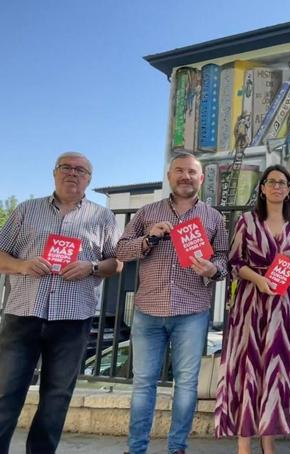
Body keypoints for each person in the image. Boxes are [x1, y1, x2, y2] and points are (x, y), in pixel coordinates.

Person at [0, 151, 121, 453]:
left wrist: (90, 267)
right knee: (5, 393)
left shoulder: (102, 216)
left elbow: (116, 264)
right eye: (66, 167)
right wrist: (22, 265)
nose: (73, 173)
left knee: (56, 399)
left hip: (73, 320)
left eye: (81, 170)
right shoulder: (27, 210)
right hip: (23, 314)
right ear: (54, 173)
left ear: (89, 180)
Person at [116, 151, 228, 454]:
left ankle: (177, 447)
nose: (185, 176)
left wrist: (213, 269)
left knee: (187, 385)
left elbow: (224, 260)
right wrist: (148, 239)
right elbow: (122, 252)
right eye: (179, 170)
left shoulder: (214, 217)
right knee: (143, 384)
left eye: (192, 172)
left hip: (191, 311)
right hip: (148, 310)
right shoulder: (147, 212)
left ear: (201, 178)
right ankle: (136, 449)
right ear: (169, 176)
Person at [214, 164, 290, 454]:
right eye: (272, 182)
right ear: (262, 188)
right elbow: (234, 263)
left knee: (274, 373)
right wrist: (259, 279)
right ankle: (244, 444)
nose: (278, 187)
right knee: (248, 370)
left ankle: (268, 442)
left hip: (284, 310)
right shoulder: (246, 221)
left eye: (283, 182)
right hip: (251, 306)